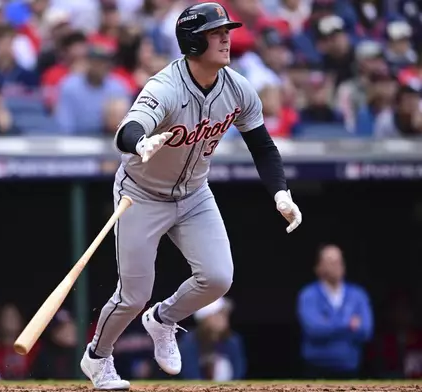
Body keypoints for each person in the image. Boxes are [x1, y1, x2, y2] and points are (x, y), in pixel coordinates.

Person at [80, 3, 303, 390]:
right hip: (141, 194)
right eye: (216, 33)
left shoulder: (238, 87)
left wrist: (281, 193)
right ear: (193, 41)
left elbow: (263, 147)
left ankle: (163, 319)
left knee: (218, 278)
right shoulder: (165, 86)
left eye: (226, 31)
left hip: (194, 194)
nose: (225, 38)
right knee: (133, 295)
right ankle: (97, 358)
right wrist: (142, 142)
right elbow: (126, 130)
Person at [297, 244, 373, 379]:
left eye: (339, 261)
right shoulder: (308, 295)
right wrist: (347, 324)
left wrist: (328, 323)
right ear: (318, 267)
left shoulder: (358, 295)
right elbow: (314, 329)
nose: (336, 266)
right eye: (330, 262)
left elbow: (366, 330)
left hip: (350, 368)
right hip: (316, 370)